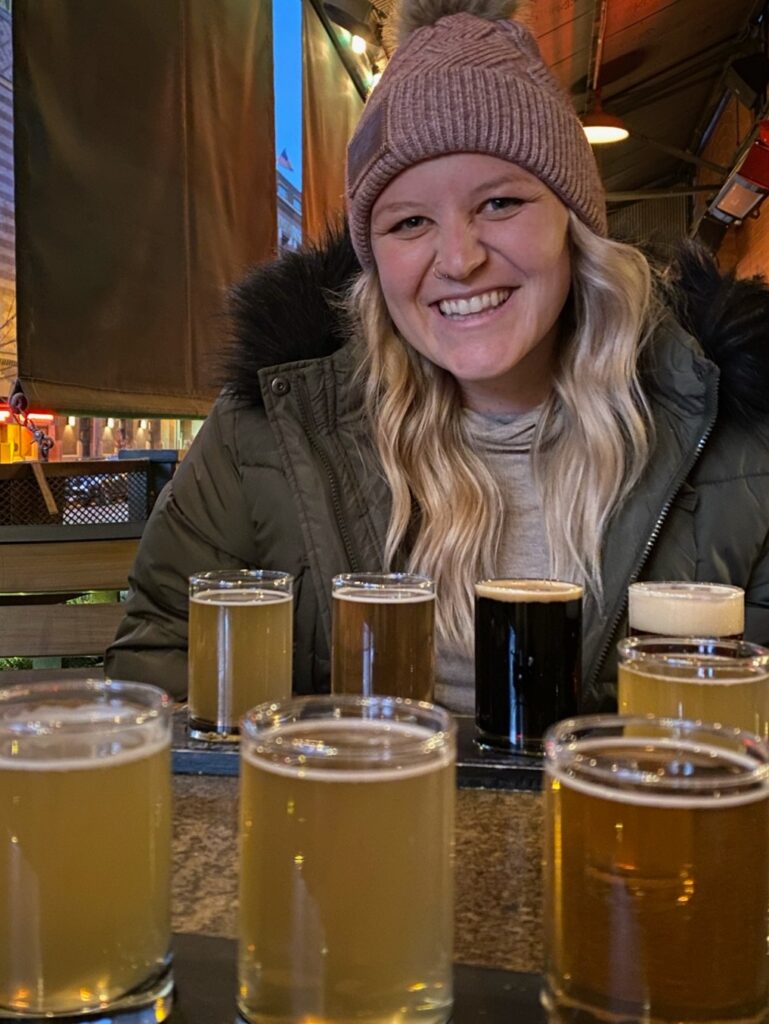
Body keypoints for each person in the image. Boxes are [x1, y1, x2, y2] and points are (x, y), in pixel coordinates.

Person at [106, 0, 769, 711]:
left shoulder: (730, 428)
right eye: (410, 221)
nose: (458, 259)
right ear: (374, 261)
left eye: (500, 204)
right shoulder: (269, 427)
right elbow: (159, 656)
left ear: (574, 227)